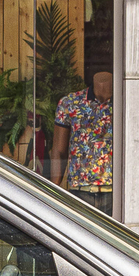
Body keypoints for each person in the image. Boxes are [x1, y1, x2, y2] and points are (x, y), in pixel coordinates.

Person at [50, 71, 115, 214]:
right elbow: (58, 150)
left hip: (116, 193)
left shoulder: (125, 101)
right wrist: (53, 189)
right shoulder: (71, 103)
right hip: (80, 192)